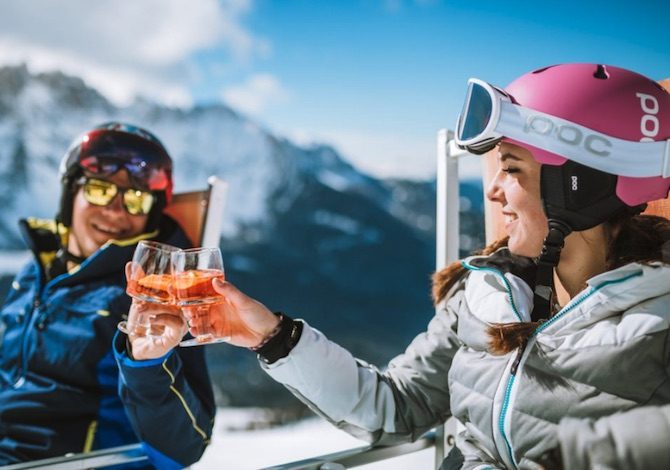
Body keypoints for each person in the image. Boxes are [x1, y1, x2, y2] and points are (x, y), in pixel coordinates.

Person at [188, 63, 670, 469]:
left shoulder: (658, 318)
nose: (492, 189)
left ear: (579, 186)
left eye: (513, 168)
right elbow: (399, 406)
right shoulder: (485, 293)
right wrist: (271, 336)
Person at [0, 122, 215, 468]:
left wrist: (148, 363)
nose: (116, 211)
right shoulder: (36, 269)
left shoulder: (150, 299)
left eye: (136, 199)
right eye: (100, 190)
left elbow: (187, 445)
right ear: (71, 192)